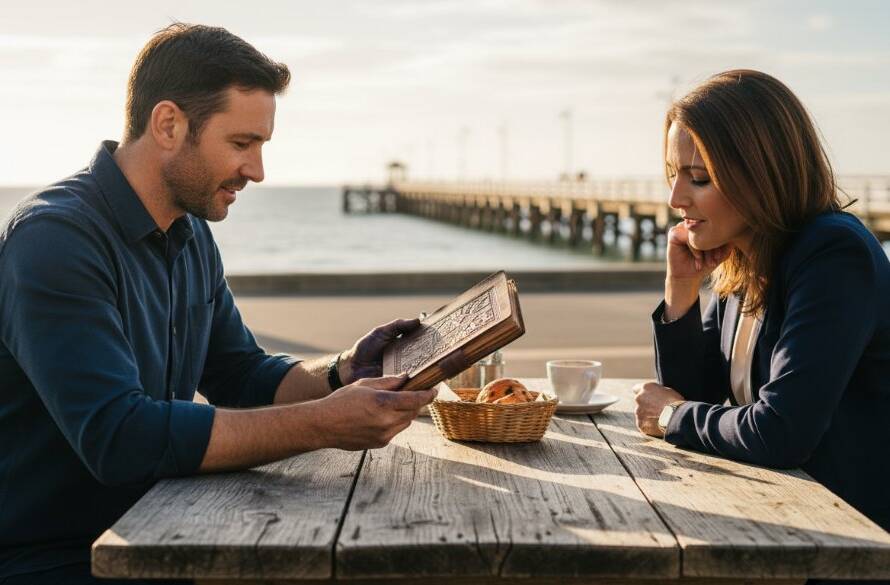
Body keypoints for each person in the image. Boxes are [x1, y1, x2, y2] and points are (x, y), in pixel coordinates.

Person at [0, 24, 436, 584]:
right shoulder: (54, 239)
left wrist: (341, 371)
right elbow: (120, 438)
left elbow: (240, 373)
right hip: (56, 558)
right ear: (168, 125)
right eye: (241, 144)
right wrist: (323, 424)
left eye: (261, 146)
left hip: (165, 524)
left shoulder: (188, 230)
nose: (256, 170)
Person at [634, 69, 890, 540]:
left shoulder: (834, 254)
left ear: (761, 172)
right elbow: (700, 396)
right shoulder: (746, 258)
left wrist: (673, 415)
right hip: (788, 517)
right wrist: (681, 291)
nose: (675, 199)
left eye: (699, 178)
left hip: (853, 540)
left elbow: (781, 432)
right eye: (674, 175)